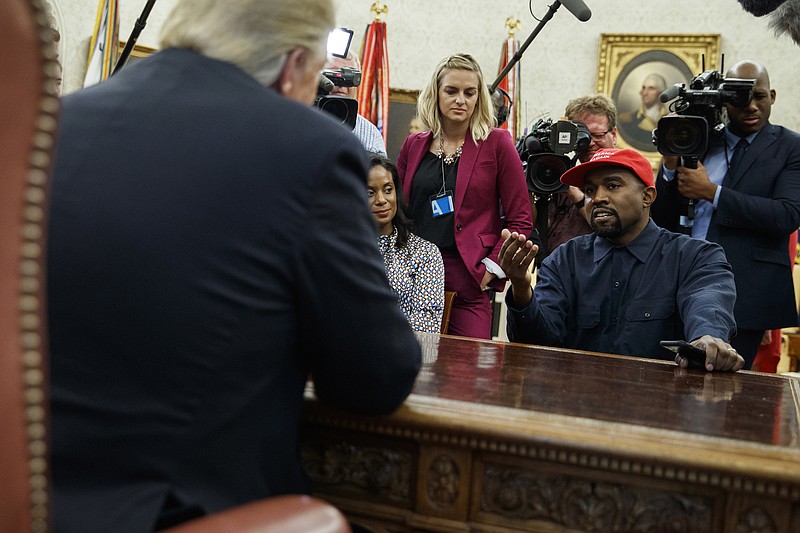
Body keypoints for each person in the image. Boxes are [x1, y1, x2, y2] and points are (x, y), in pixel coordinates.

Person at [47, 1, 422, 532]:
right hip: (187, 509)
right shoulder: (312, 150)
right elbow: (376, 375)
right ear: (294, 65)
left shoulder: (63, 120)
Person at [499, 147, 744, 372]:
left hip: (660, 407)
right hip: (575, 404)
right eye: (590, 190)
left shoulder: (694, 257)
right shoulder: (565, 259)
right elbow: (537, 341)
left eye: (613, 186)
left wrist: (707, 337)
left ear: (647, 196)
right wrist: (521, 288)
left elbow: (707, 302)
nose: (598, 198)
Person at [651, 59, 800, 369]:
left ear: (772, 96)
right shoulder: (700, 138)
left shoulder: (790, 147)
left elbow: (786, 215)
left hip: (748, 290)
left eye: (758, 96)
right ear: (723, 100)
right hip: (681, 280)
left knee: (727, 390)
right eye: (739, 97)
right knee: (668, 380)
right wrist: (668, 164)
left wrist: (712, 193)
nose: (750, 106)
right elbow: (661, 216)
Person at [397, 53, 533, 339]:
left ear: (479, 98)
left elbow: (520, 218)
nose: (461, 100)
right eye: (451, 91)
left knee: (467, 375)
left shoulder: (497, 143)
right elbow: (397, 211)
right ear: (436, 93)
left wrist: (493, 268)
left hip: (468, 277)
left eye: (469, 93)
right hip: (412, 273)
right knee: (407, 369)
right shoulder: (413, 145)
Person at [536, 94, 619, 262]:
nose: (590, 143)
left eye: (598, 135)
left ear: (614, 134)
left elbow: (617, 228)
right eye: (583, 137)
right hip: (557, 274)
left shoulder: (626, 177)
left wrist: (574, 193)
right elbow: (536, 227)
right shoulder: (560, 174)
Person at [368, 155, 445, 333]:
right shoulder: (342, 251)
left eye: (388, 190)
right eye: (369, 193)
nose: (381, 199)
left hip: (404, 355)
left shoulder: (424, 253)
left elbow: (426, 326)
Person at [325, 51, 387, 156]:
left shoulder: (370, 134)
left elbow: (379, 171)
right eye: (333, 76)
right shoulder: (300, 119)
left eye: (349, 78)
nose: (341, 85)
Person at [617, 73, 668, 151]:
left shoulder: (670, 120)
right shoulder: (627, 120)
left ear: (661, 92)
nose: (645, 93)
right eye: (643, 88)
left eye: (651, 88)